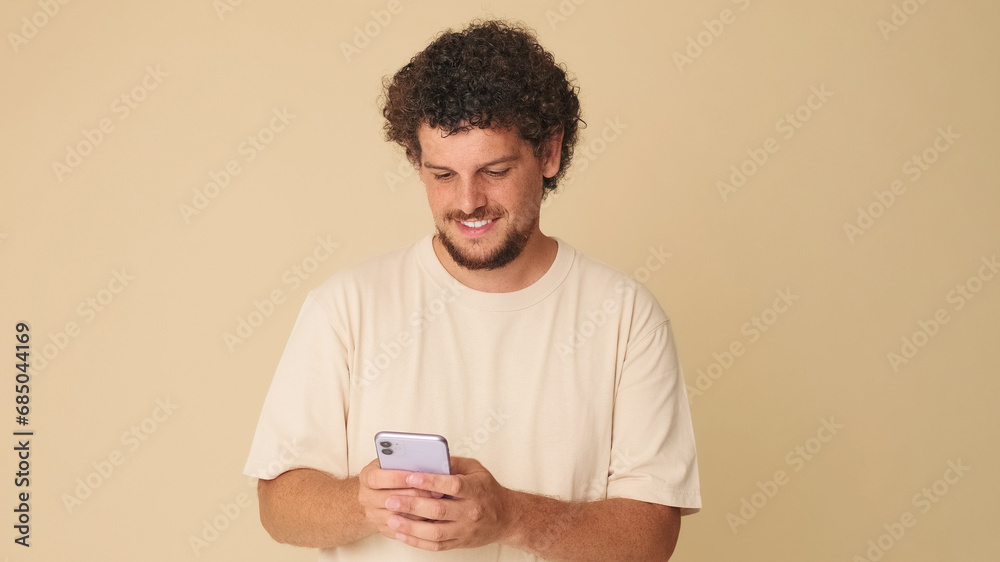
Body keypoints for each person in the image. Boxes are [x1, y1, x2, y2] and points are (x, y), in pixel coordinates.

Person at [244, 19, 701, 561]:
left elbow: (650, 536)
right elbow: (278, 504)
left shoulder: (626, 317)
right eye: (442, 175)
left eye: (495, 170)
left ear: (549, 153)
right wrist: (361, 502)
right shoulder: (346, 307)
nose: (467, 201)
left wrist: (510, 515)